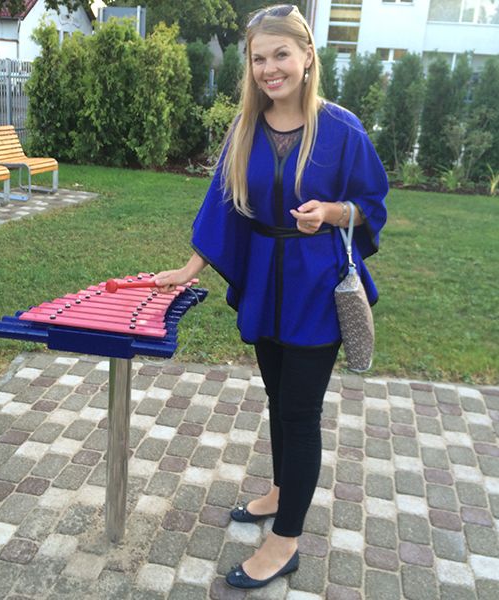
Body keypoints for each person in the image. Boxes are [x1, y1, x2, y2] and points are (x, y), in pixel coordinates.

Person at [155, 4, 388, 590]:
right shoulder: (245, 129)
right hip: (266, 285)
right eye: (259, 59)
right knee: (276, 396)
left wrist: (335, 213)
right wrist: (191, 266)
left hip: (315, 287)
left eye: (280, 54)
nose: (269, 68)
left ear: (308, 56)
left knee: (300, 412)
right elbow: (223, 203)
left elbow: (374, 207)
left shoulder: (341, 129)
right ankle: (282, 490)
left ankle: (286, 542)